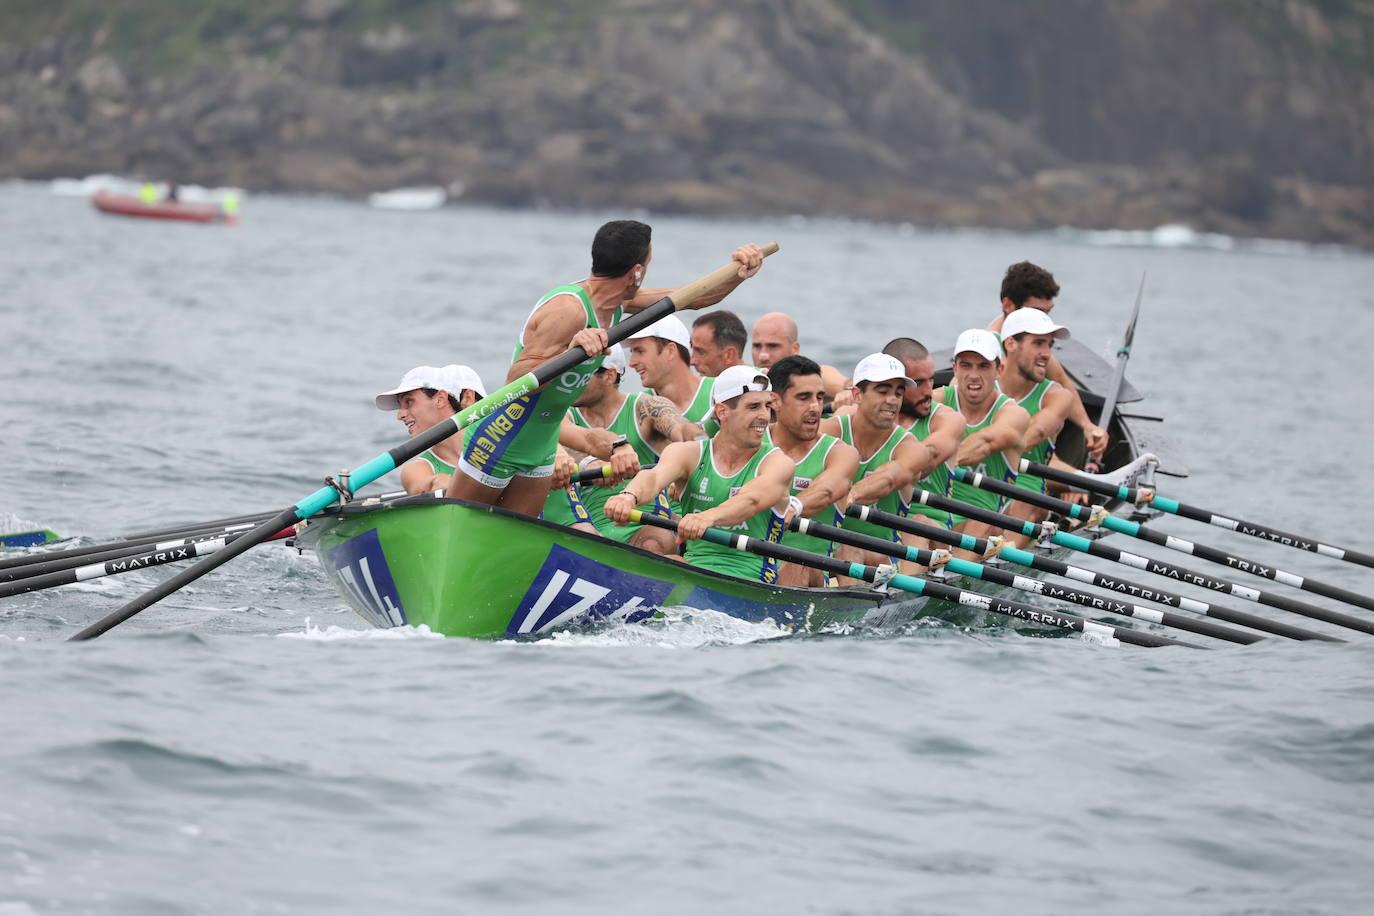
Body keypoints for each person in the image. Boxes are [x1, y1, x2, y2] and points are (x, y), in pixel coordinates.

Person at [451, 219, 765, 519]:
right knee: (458, 526)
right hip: (502, 436)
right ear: (637, 271)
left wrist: (739, 273)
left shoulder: (615, 304)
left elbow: (693, 298)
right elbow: (516, 381)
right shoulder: (568, 309)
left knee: (508, 542)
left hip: (543, 444)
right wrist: (570, 349)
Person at [605, 366, 794, 582]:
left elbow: (751, 500)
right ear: (722, 412)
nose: (764, 416)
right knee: (656, 566)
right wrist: (628, 496)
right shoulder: (688, 453)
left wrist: (706, 518)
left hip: (752, 579)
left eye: (767, 406)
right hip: (694, 568)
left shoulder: (778, 463)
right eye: (753, 407)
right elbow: (654, 477)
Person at [568, 345, 700, 555]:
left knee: (654, 543)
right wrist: (590, 464)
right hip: (587, 523)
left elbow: (682, 430)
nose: (571, 381)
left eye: (582, 374)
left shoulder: (646, 408)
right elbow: (564, 448)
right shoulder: (564, 417)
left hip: (643, 523)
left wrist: (690, 454)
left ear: (610, 376)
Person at [819, 354, 943, 578]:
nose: (893, 400)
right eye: (883, 391)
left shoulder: (910, 447)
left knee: (850, 549)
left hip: (884, 556)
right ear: (857, 394)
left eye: (898, 393)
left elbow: (888, 478)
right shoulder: (830, 430)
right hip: (826, 550)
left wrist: (851, 494)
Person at [988, 261, 1107, 458]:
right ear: (1008, 305)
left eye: (1048, 312)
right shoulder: (987, 348)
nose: (1044, 321)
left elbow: (1061, 381)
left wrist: (1087, 426)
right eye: (1037, 311)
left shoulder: (1034, 347)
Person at [766, 356, 859, 587]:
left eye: (819, 397)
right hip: (749, 567)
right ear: (774, 401)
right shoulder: (752, 443)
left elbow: (827, 491)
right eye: (803, 398)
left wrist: (794, 506)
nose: (816, 408)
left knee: (795, 563)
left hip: (811, 574)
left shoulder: (840, 453)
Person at [932, 329, 1030, 540]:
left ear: (999, 369)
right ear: (954, 368)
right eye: (966, 365)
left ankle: (956, 570)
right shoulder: (936, 401)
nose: (974, 375)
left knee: (981, 522)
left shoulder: (1013, 414)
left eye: (984, 366)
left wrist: (922, 463)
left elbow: (985, 442)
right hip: (936, 517)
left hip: (986, 525)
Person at [997, 308, 1077, 546]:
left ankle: (993, 567)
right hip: (974, 492)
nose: (1046, 354)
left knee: (1027, 501)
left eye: (1050, 345)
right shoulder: (980, 385)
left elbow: (1033, 435)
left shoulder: (1057, 396)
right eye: (1038, 344)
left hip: (1026, 497)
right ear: (1011, 343)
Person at [878, 337, 966, 546]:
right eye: (918, 383)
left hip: (934, 529)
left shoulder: (947, 419)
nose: (928, 391)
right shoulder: (862, 418)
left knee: (915, 525)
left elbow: (922, 462)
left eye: (931, 380)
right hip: (878, 526)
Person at [374, 364, 486, 495]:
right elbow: (431, 484)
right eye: (401, 405)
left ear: (440, 400)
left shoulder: (502, 452)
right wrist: (437, 483)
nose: (400, 415)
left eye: (409, 402)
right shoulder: (416, 470)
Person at [626, 314, 715, 424]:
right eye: (632, 353)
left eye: (640, 351)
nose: (631, 363)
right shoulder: (636, 408)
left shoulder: (718, 393)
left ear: (670, 351)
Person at [750, 312, 848, 400]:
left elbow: (847, 386)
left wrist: (846, 391)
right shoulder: (743, 376)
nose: (763, 356)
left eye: (773, 346)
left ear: (795, 349)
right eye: (757, 346)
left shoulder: (812, 376)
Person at [690, 310, 748, 378]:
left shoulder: (756, 387)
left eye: (700, 352)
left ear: (729, 355)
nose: (692, 361)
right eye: (692, 348)